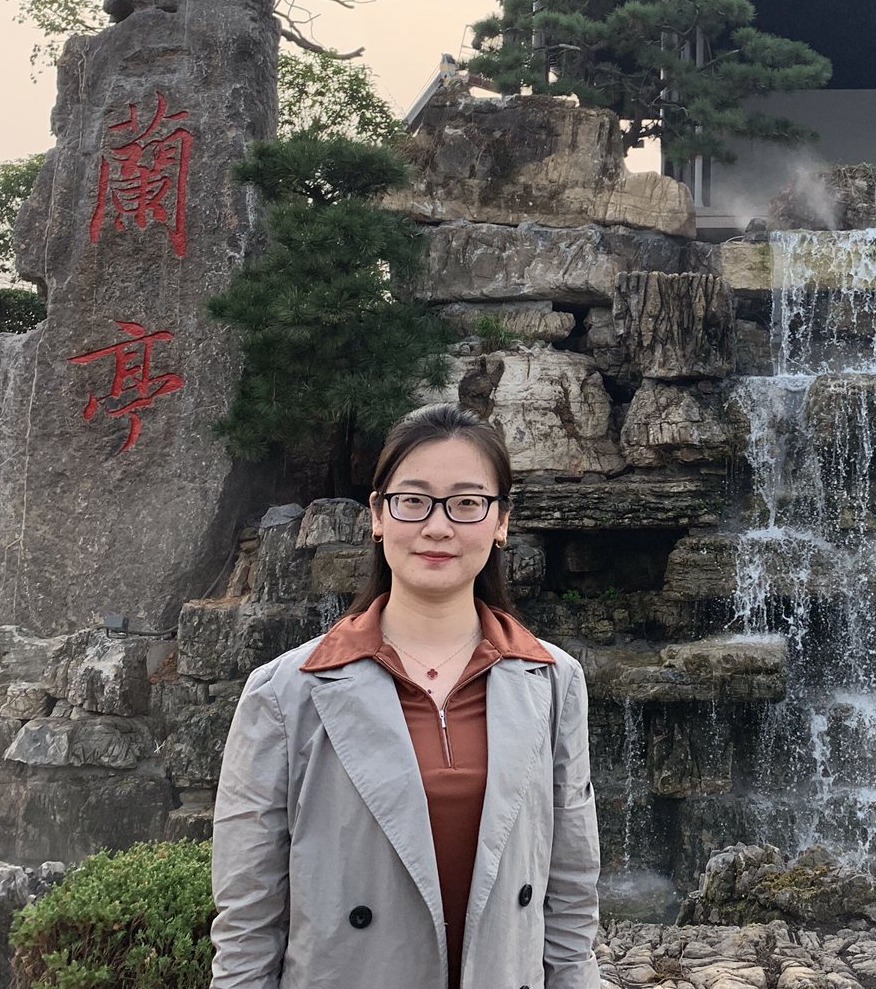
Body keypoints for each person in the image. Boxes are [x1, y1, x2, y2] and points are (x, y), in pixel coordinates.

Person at [210, 405, 600, 989]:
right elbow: (247, 917)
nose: (437, 527)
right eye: (413, 500)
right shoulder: (286, 692)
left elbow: (570, 893)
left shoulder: (554, 681)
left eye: (467, 503)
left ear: (501, 522)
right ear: (377, 515)